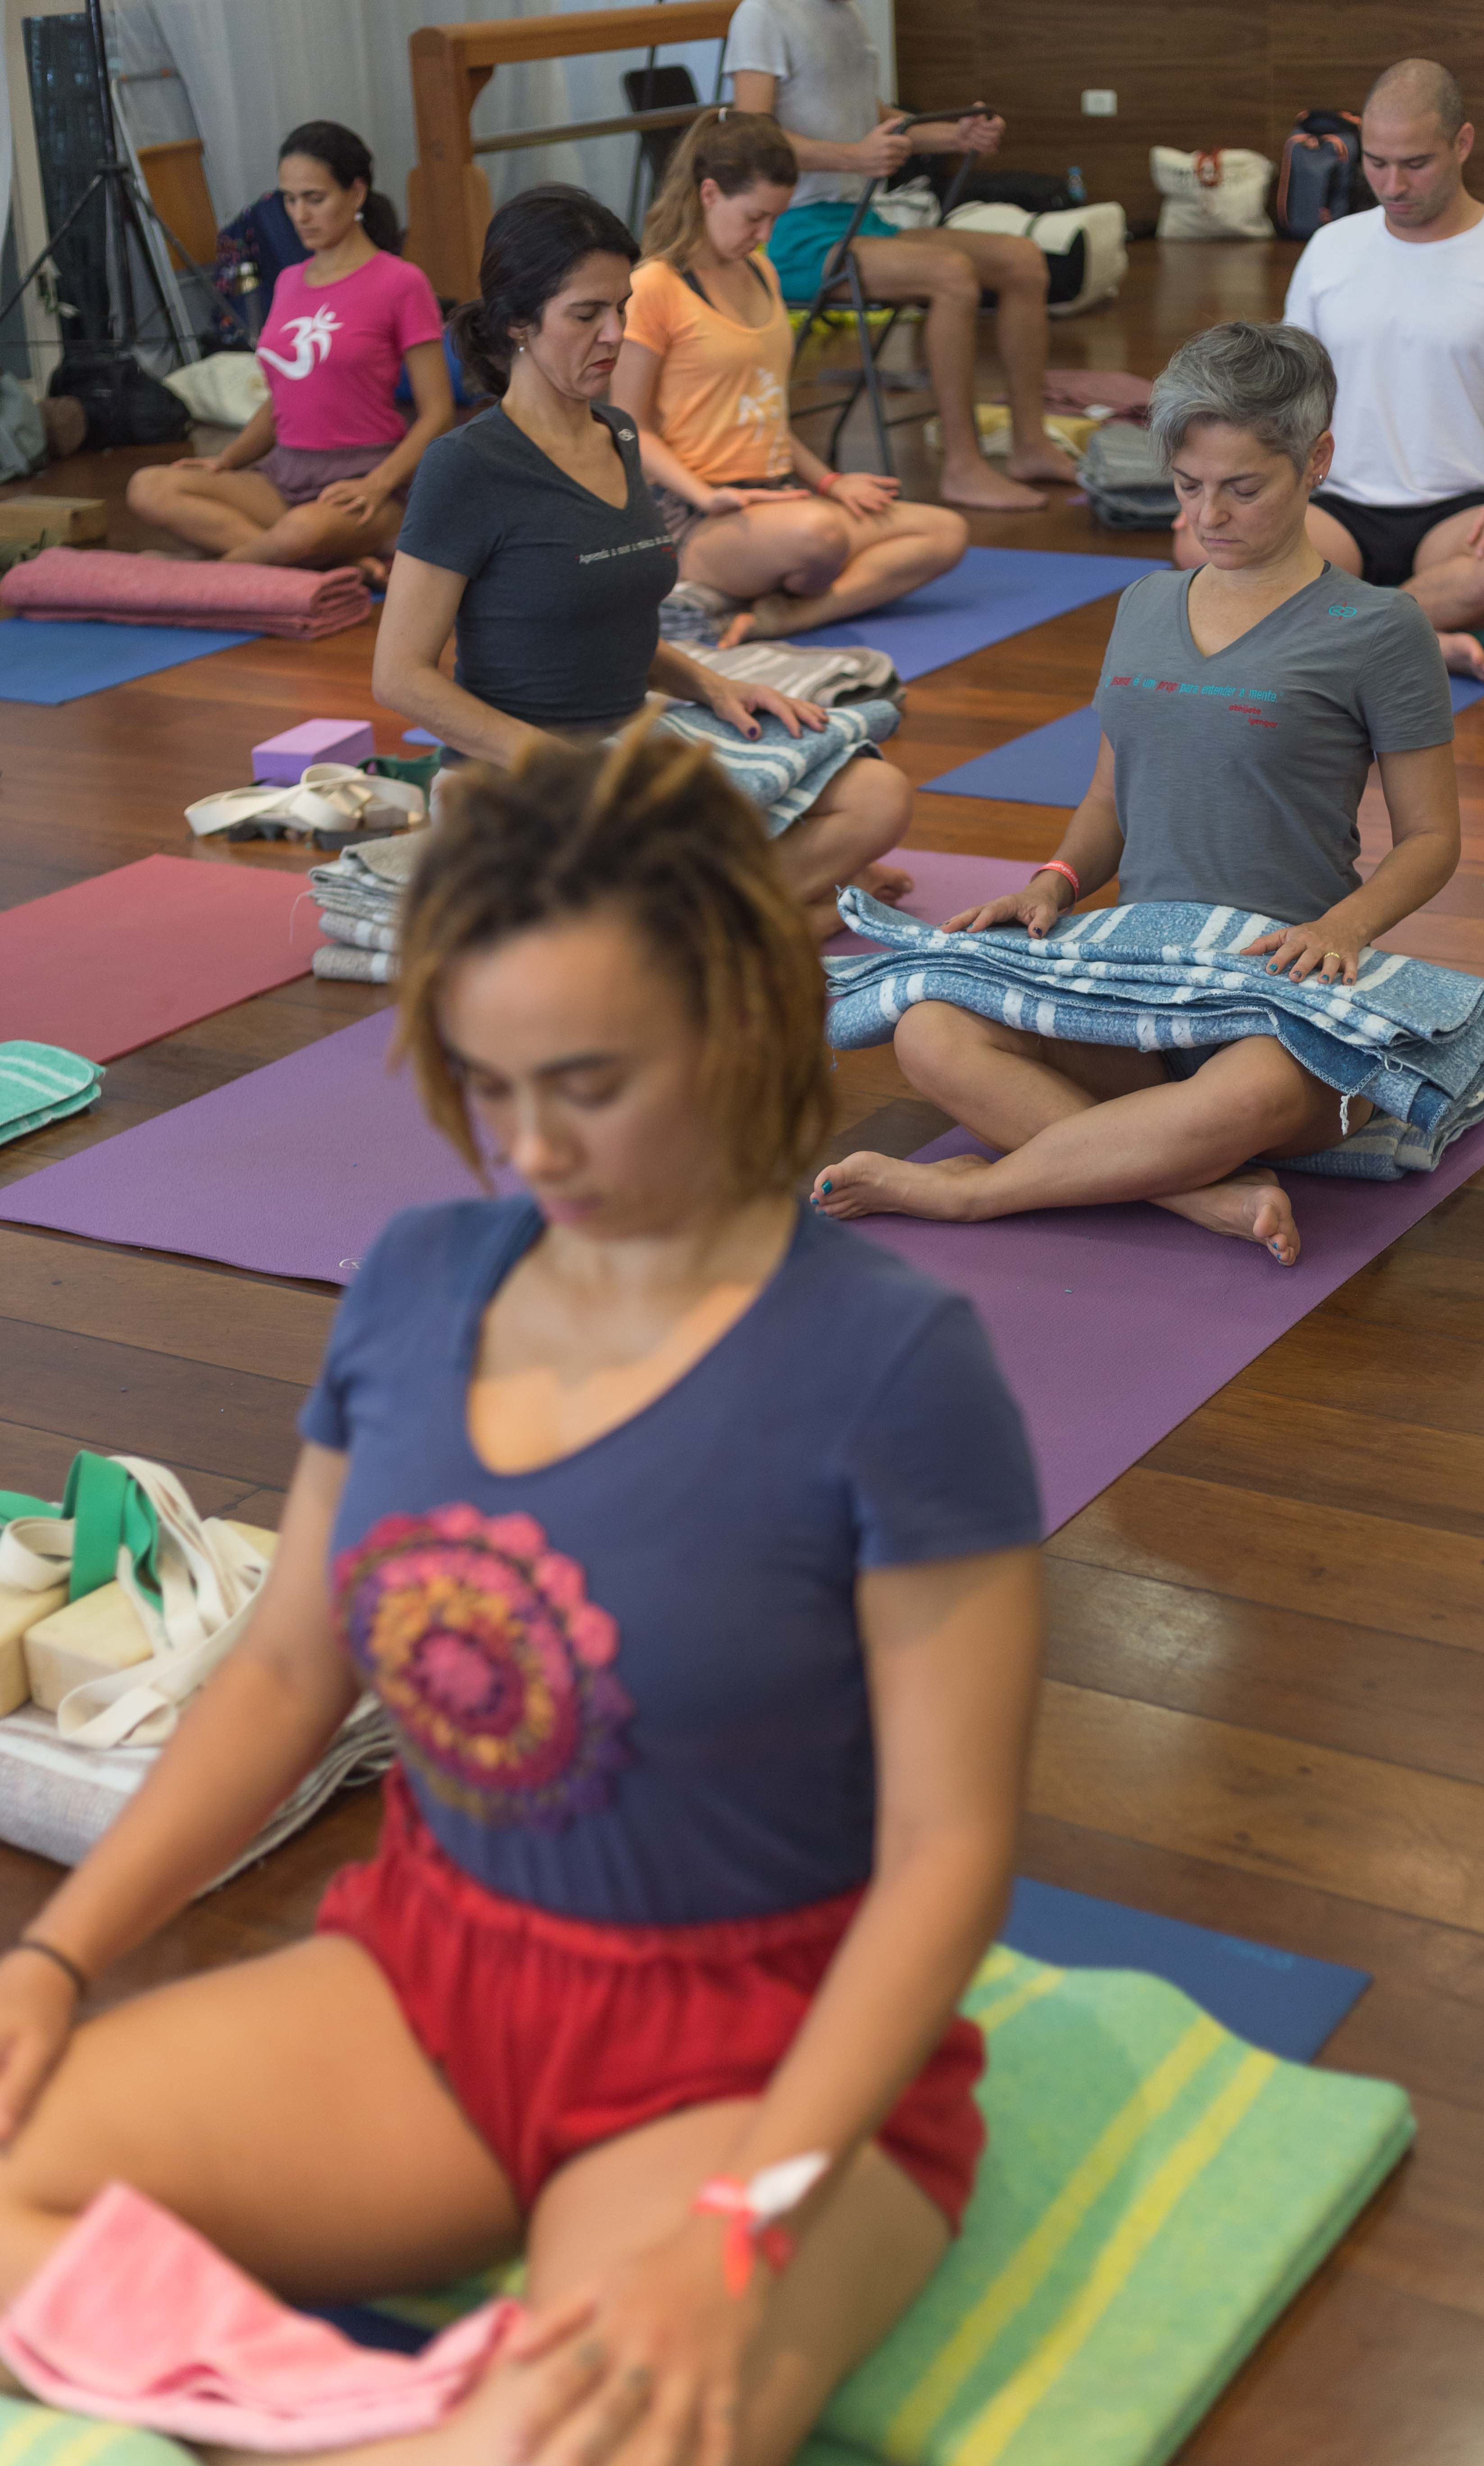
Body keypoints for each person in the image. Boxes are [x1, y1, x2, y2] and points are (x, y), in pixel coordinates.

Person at [0, 722, 1044, 2466]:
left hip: (744, 2054)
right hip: (432, 1980)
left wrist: (743, 2219)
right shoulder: (418, 1284)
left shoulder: (893, 1368)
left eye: (590, 1082)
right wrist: (54, 1957)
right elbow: (282, 1674)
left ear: (734, 1023)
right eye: (491, 1086)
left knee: (590, 2442)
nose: (535, 1147)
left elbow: (948, 1854)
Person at [815, 322, 1463, 1267]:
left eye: (1242, 488)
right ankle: (1196, 1195)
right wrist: (1054, 883)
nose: (1209, 515)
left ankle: (974, 1193)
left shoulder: (1380, 626)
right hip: (1139, 981)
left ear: (1316, 460)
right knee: (931, 1031)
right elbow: (1111, 799)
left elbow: (1431, 838)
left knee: (1248, 1097)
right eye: (1189, 486)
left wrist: (1343, 929)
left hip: (1279, 994)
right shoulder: (1145, 604)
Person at [373, 183, 913, 941]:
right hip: (521, 776)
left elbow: (603, 621)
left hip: (636, 748)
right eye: (585, 314)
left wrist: (714, 685)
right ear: (518, 323)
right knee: (628, 888)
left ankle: (731, 921)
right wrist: (556, 765)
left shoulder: (620, 434)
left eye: (621, 308)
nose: (614, 334)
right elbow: (399, 675)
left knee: (879, 796)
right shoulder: (465, 466)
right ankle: (788, 909)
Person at [1275, 57, 1484, 683]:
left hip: (1461, 513)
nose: (1393, 184)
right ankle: (1411, 637)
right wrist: (1238, 485)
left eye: (1416, 164)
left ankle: (1341, 636)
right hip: (1334, 501)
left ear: (1463, 143)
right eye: (1376, 162)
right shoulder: (1330, 249)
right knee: (1201, 541)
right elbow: (1289, 389)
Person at [611, 108, 967, 645]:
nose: (765, 235)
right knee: (818, 537)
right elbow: (629, 428)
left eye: (776, 219)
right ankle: (728, 584)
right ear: (709, 194)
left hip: (778, 501)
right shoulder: (655, 286)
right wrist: (707, 497)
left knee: (945, 533)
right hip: (693, 517)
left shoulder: (762, 270)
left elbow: (765, 412)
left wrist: (829, 482)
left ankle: (788, 616)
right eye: (755, 218)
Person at [726, 0, 1072, 512]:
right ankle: (963, 467)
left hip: (857, 217)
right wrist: (852, 157)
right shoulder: (763, 13)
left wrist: (953, 135)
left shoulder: (843, 14)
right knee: (949, 273)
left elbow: (869, 116)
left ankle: (1031, 444)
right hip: (790, 231)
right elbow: (750, 137)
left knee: (1022, 260)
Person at [128, 122, 453, 584]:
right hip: (284, 475)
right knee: (149, 487)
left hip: (365, 479)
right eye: (290, 199)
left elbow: (438, 415)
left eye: (314, 198)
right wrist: (228, 461)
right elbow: (283, 397)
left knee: (301, 531)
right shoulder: (288, 282)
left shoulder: (401, 282)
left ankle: (197, 577)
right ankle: (327, 565)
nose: (301, 215)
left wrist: (377, 484)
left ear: (356, 193)